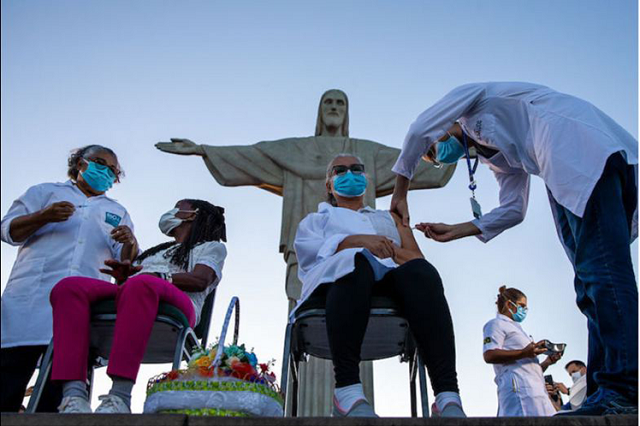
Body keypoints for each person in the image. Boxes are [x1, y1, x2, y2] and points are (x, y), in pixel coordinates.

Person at [390, 82, 638, 415]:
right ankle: (602, 388)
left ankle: (624, 387)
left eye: (433, 145)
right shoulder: (499, 160)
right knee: (588, 283)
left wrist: (401, 190)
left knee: (602, 274)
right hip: (562, 166)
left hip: (578, 148)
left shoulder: (474, 99)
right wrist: (459, 230)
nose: (437, 149)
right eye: (433, 156)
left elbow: (420, 128)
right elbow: (514, 209)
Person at [293, 154, 465, 418]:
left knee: (423, 273)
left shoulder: (390, 219)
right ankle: (347, 390)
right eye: (340, 170)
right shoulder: (317, 220)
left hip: (392, 283)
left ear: (366, 178)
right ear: (329, 185)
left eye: (356, 169)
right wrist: (355, 242)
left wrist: (388, 249)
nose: (349, 173)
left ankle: (446, 395)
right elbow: (308, 252)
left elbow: (416, 258)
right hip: (339, 287)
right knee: (355, 262)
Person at [48, 199, 227, 414]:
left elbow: (200, 280)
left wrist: (156, 276)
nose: (171, 211)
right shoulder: (155, 252)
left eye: (178, 207)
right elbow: (131, 288)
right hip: (141, 293)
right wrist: (124, 276)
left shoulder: (211, 247)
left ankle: (120, 397)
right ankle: (73, 396)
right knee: (69, 287)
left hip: (180, 305)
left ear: (192, 215)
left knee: (142, 284)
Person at [1, 145, 138, 412]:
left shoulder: (117, 211)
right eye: (99, 162)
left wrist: (130, 242)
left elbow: (127, 260)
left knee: (59, 398)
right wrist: (43, 216)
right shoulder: (44, 192)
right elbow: (8, 231)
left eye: (113, 169)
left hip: (80, 309)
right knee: (8, 381)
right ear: (79, 163)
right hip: (30, 301)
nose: (106, 171)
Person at [483, 286, 563, 417]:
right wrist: (524, 353)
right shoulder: (495, 324)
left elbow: (527, 369)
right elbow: (489, 355)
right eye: (521, 305)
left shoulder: (518, 330)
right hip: (519, 391)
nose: (524, 310)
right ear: (509, 304)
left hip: (537, 392)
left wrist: (547, 362)